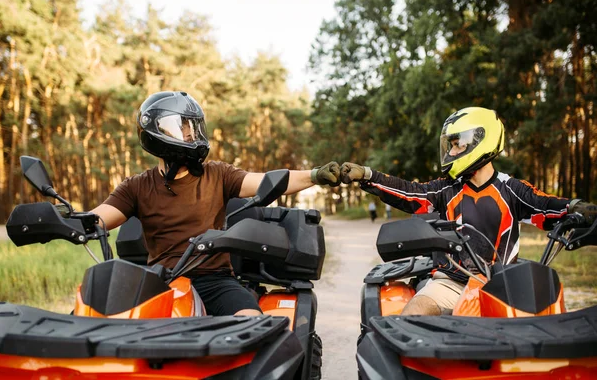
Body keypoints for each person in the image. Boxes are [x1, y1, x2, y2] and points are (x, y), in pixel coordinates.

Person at [91, 91, 341, 317]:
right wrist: (62, 218)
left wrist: (316, 175)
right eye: (183, 126)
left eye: (194, 126)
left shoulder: (218, 175)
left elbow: (266, 181)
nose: (191, 133)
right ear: (157, 133)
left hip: (214, 281)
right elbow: (97, 219)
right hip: (159, 283)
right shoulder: (137, 186)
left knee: (252, 323)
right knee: (99, 321)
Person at [339, 106, 597, 316]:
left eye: (456, 144)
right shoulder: (445, 189)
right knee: (411, 317)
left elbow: (548, 205)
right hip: (450, 283)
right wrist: (368, 176)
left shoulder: (512, 189)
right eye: (449, 145)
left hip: (505, 287)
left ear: (480, 140)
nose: (450, 151)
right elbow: (409, 193)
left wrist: (576, 208)